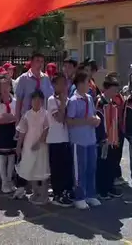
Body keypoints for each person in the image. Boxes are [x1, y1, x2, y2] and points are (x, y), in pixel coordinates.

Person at [66, 71, 101, 210]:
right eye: (88, 82)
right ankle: (79, 196)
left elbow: (93, 114)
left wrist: (96, 119)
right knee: (80, 169)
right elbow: (69, 121)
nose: (90, 85)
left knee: (91, 168)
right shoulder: (73, 100)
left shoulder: (89, 98)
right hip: (78, 140)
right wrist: (85, 121)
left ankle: (90, 194)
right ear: (80, 84)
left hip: (91, 139)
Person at [15, 89, 50, 205]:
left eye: (39, 100)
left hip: (42, 148)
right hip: (28, 146)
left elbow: (46, 130)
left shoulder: (45, 114)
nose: (36, 102)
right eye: (34, 99)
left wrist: (39, 143)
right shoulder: (27, 115)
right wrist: (19, 146)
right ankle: (36, 192)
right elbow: (22, 131)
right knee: (31, 169)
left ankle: (44, 195)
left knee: (42, 169)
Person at [46, 72, 73, 207]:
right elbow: (60, 118)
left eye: (65, 83)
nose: (64, 86)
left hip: (66, 138)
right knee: (56, 168)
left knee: (66, 167)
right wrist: (62, 103)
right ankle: (57, 194)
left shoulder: (68, 100)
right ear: (54, 85)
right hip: (55, 139)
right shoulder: (52, 100)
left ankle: (66, 192)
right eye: (61, 83)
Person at [95, 75, 123, 200]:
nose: (116, 92)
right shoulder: (99, 103)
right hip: (103, 140)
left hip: (113, 139)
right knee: (102, 165)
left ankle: (109, 187)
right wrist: (102, 138)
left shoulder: (113, 102)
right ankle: (102, 190)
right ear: (106, 88)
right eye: (113, 89)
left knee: (112, 164)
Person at [0, 76, 17, 193]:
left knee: (12, 157)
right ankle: (4, 182)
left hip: (12, 131)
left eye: (7, 85)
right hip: (2, 132)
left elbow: (17, 117)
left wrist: (10, 118)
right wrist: (7, 119)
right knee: (3, 158)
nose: (5, 89)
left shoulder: (15, 102)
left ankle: (9, 180)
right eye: (3, 86)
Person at [15, 52, 53, 122]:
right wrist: (17, 120)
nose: (40, 64)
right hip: (26, 118)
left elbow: (49, 98)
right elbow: (19, 100)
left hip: (42, 118)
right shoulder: (24, 78)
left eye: (42, 61)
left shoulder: (46, 78)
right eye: (37, 61)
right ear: (32, 63)